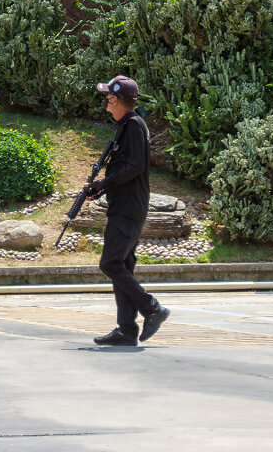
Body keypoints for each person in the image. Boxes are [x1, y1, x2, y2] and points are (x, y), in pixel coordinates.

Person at [85, 75, 170, 347]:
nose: (105, 101)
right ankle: (126, 330)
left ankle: (152, 308)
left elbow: (134, 166)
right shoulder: (128, 126)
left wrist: (104, 182)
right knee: (122, 266)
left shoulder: (133, 126)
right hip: (126, 205)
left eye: (108, 96)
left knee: (109, 264)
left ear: (117, 99)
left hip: (129, 207)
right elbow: (127, 167)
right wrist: (102, 186)